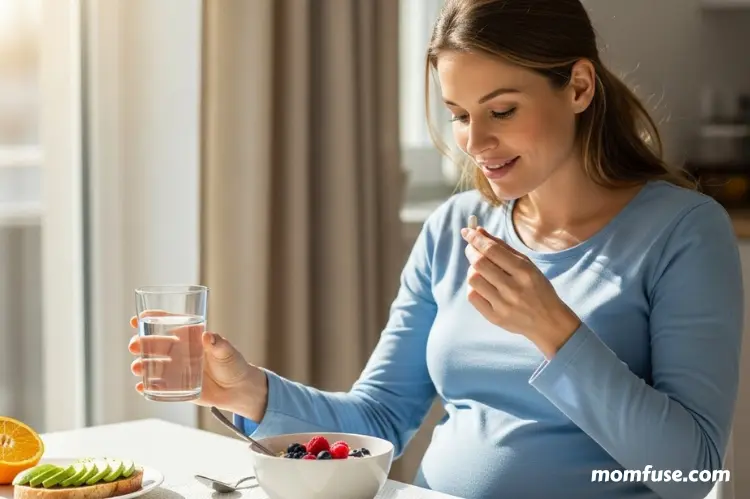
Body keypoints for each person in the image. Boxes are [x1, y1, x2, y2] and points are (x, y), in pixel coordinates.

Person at [128, 0, 743, 497]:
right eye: (458, 114)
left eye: (501, 109)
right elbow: (379, 421)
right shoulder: (456, 228)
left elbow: (689, 474)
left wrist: (554, 330)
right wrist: (249, 393)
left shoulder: (684, 232)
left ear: (579, 86)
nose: (476, 141)